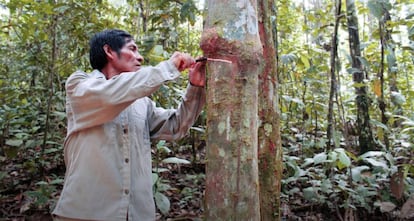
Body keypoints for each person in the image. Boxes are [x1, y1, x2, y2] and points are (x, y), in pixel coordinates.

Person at [52, 29, 206, 221]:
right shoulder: (80, 85)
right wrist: (168, 67)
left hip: (136, 214)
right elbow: (109, 94)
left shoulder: (142, 102)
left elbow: (176, 126)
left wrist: (195, 87)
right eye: (132, 49)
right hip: (85, 213)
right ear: (109, 51)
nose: (139, 57)